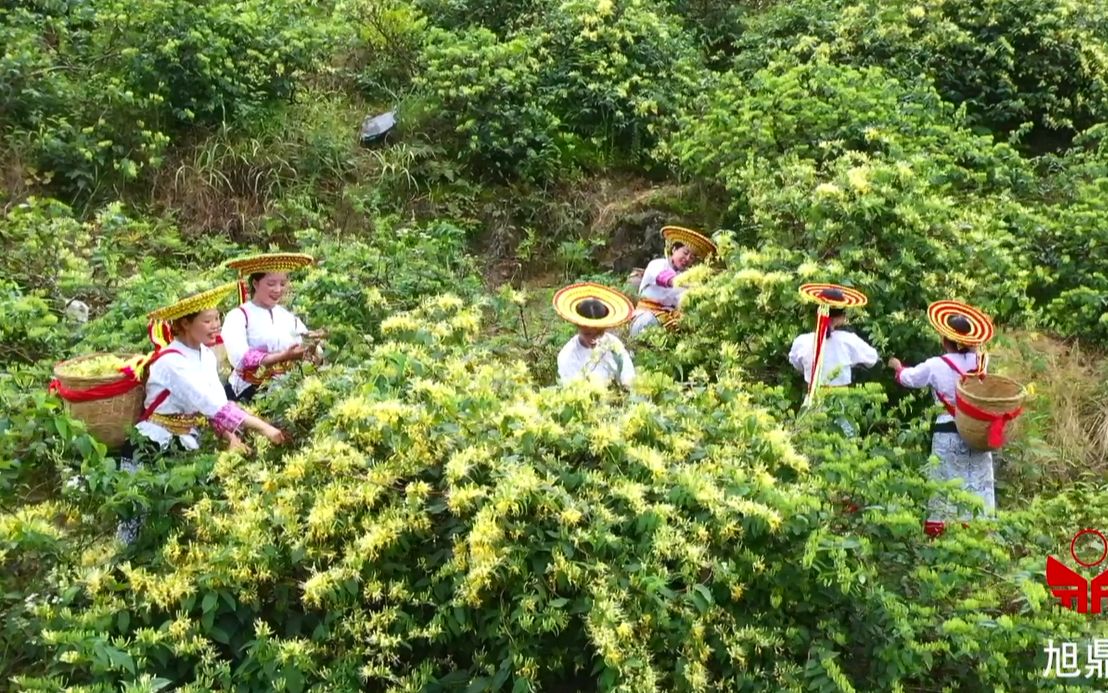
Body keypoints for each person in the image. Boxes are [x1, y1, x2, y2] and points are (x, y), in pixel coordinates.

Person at [118, 283, 288, 545]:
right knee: (135, 524)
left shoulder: (206, 356)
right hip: (149, 447)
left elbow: (218, 403)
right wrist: (264, 428)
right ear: (185, 323)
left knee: (176, 522)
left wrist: (230, 436)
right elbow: (210, 404)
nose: (215, 325)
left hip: (184, 442)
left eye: (217, 318)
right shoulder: (170, 361)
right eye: (207, 320)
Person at [887, 300, 996, 538]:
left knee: (944, 483)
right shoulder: (981, 364)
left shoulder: (936, 365)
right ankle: (979, 533)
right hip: (977, 432)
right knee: (977, 483)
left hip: (947, 430)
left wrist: (897, 366)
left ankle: (941, 535)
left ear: (945, 340)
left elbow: (909, 379)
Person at [221, 252, 318, 402]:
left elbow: (310, 349)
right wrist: (283, 356)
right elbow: (240, 358)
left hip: (287, 390)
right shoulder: (238, 316)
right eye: (271, 284)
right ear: (255, 283)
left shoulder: (288, 318)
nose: (278, 290)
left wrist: (312, 347)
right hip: (249, 392)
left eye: (283, 284)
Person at [790, 284, 877, 436]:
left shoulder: (802, 341)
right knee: (843, 445)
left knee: (808, 444)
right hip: (840, 403)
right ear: (841, 318)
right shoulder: (848, 341)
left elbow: (796, 363)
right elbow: (872, 358)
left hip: (812, 400)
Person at [629, 226, 717, 337]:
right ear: (674, 249)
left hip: (670, 320)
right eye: (685, 253)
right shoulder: (658, 264)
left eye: (692, 257)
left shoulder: (686, 277)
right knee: (649, 320)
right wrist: (694, 286)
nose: (687, 258)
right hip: (646, 316)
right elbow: (668, 280)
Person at [553, 282, 636, 388]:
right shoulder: (569, 355)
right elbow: (573, 390)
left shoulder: (613, 344)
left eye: (599, 333)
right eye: (588, 334)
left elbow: (628, 375)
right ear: (578, 327)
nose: (594, 339)